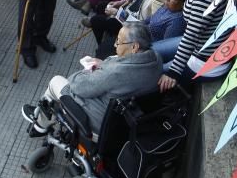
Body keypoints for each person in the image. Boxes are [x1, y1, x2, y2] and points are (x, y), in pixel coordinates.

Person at [21, 23, 161, 136]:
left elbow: (78, 87)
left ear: (134, 47)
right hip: (125, 118)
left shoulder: (115, 73)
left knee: (56, 81)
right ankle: (46, 119)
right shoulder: (156, 59)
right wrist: (104, 64)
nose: (115, 45)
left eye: (119, 41)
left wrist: (86, 72)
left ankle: (40, 125)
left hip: (100, 121)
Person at [157, 0, 228, 90]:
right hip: (198, 48)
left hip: (205, 62)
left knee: (153, 74)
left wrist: (174, 72)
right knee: (151, 50)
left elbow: (191, 37)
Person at [94, 0, 189, 59]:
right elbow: (146, 21)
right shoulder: (166, 7)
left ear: (183, 2)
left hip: (142, 48)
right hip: (138, 35)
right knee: (107, 44)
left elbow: (164, 47)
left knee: (105, 48)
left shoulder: (177, 21)